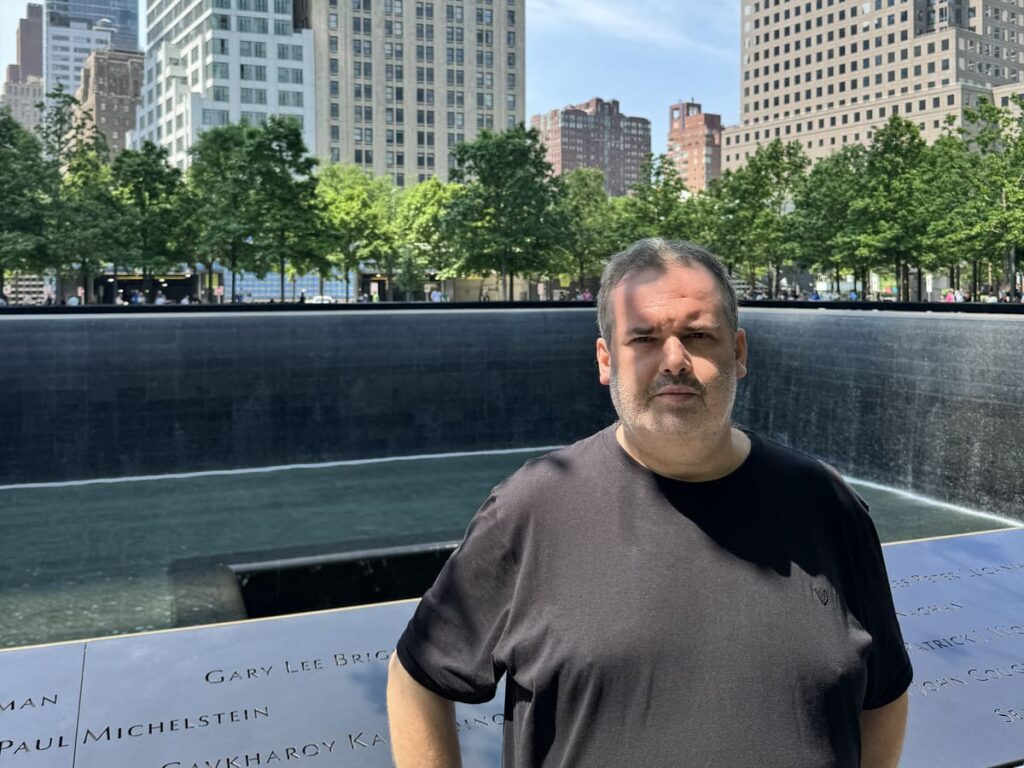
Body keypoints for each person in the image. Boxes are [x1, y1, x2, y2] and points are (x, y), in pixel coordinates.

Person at [387, 238, 912, 768]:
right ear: (606, 360)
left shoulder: (827, 505)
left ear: (740, 352)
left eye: (699, 335)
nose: (675, 360)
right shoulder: (531, 508)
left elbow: (885, 694)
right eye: (644, 338)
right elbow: (417, 678)